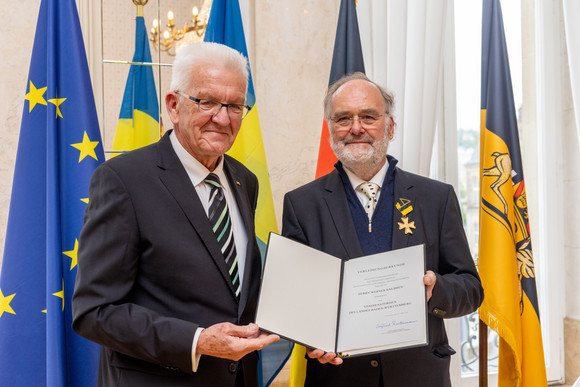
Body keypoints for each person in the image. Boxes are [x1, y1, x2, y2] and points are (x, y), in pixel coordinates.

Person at [72, 42, 279, 387]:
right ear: (173, 105)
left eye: (235, 105)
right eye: (207, 102)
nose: (223, 118)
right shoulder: (123, 180)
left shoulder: (246, 181)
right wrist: (196, 341)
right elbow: (95, 312)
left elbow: (236, 294)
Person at [281, 72, 484, 386]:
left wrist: (436, 290)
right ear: (331, 129)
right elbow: (294, 300)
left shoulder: (435, 198)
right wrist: (309, 338)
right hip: (338, 378)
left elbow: (471, 289)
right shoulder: (302, 205)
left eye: (368, 116)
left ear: (390, 126)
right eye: (343, 118)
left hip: (419, 377)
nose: (356, 128)